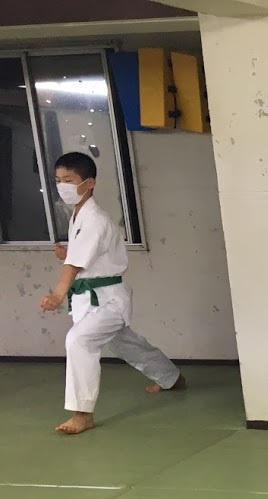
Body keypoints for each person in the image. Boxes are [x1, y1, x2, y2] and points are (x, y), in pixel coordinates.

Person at [38, 152, 184, 434]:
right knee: (125, 344)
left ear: (89, 183)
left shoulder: (95, 219)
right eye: (58, 180)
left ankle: (82, 414)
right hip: (91, 299)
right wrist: (68, 253)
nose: (62, 186)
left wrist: (57, 294)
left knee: (79, 341)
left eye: (69, 180)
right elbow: (88, 257)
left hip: (108, 300)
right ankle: (172, 378)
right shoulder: (79, 215)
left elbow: (74, 266)